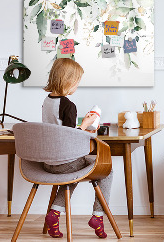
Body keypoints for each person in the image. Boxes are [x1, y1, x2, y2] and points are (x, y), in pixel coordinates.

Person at [42, 58, 112, 239]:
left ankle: (54, 214)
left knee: (72, 173)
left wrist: (82, 125)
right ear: (68, 81)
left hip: (48, 162)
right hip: (65, 162)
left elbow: (59, 130)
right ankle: (98, 216)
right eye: (77, 82)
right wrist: (87, 124)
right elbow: (70, 137)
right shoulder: (68, 105)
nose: (77, 86)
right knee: (107, 170)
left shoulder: (47, 101)